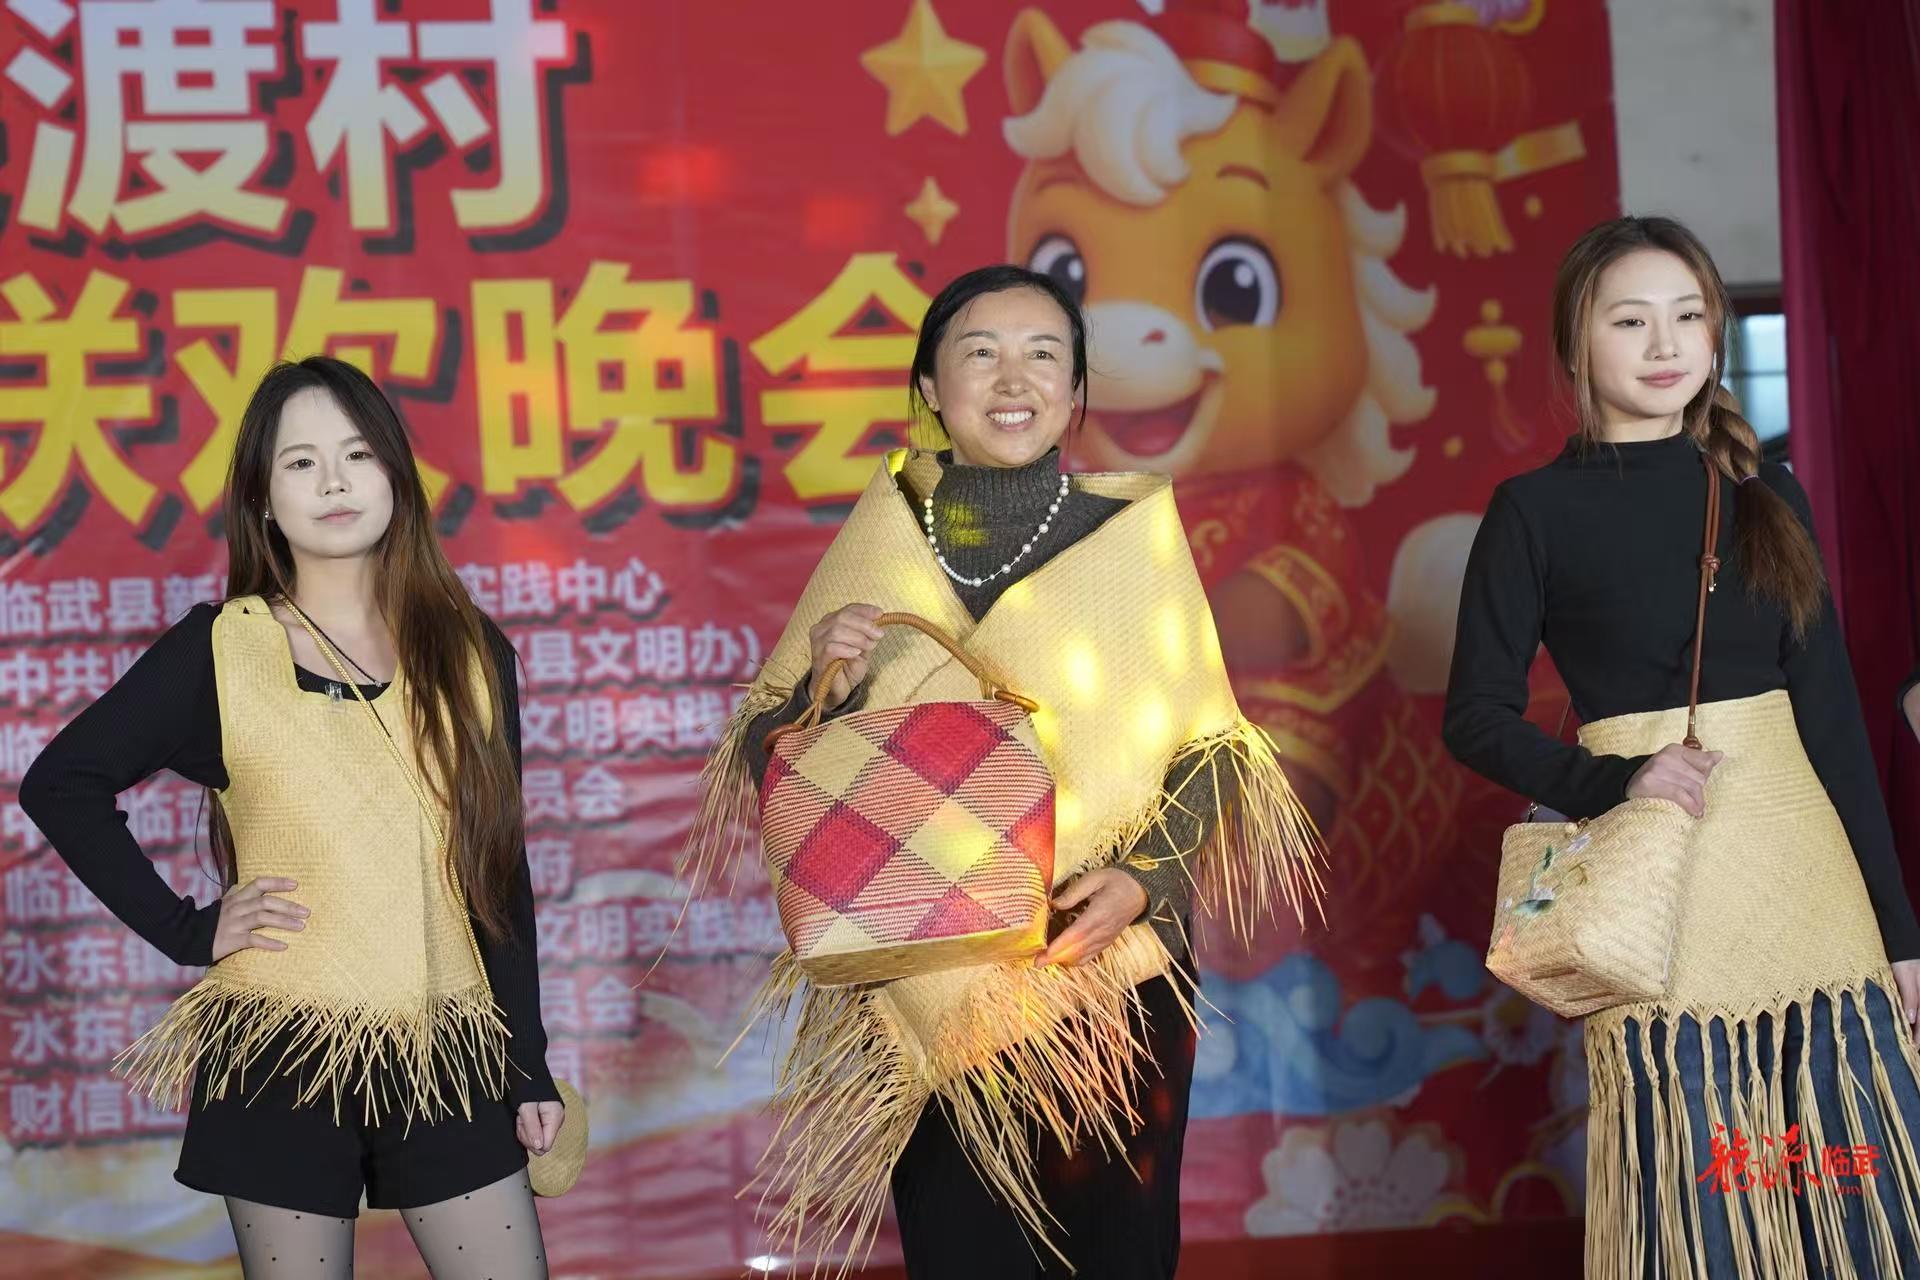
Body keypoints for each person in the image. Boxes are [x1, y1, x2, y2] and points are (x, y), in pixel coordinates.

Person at [680, 265, 1322, 1278]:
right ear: (930, 388)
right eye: (980, 353)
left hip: (1104, 969)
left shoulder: (1130, 538)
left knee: (1117, 1254)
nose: (1012, 379)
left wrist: (1144, 880)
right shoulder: (882, 540)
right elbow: (774, 755)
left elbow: (1212, 746)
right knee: (965, 1251)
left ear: (1075, 392)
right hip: (927, 968)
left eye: (1043, 355)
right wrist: (824, 687)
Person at [1444, 216, 1920, 1278]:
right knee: (1706, 1200)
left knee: (1851, 1189)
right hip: (1664, 900)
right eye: (1630, 320)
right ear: (1576, 343)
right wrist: (1618, 778)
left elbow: (1835, 724)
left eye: (1689, 316)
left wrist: (1900, 933)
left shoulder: (1766, 494)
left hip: (1815, 896)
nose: (1665, 344)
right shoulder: (1533, 511)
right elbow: (1474, 714)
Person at [20, 356, 563, 1279]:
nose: (335, 482)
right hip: (279, 1049)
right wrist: (188, 929)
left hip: (450, 1042)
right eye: (301, 463)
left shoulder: (473, 653)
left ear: (396, 475)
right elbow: (61, 782)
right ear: (263, 499)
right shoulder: (223, 649)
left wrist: (527, 1062)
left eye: (357, 455)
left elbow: (496, 873)